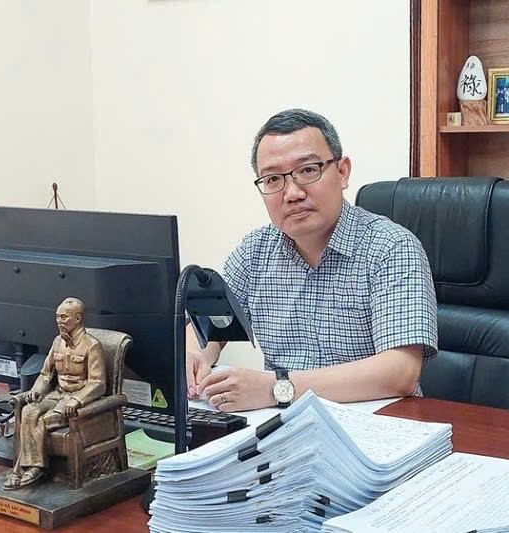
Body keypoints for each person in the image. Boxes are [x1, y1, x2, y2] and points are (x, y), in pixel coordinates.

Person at [186, 109, 437, 412]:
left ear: (342, 172)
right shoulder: (255, 252)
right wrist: (196, 354)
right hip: (283, 423)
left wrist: (276, 388)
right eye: (273, 179)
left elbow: (400, 372)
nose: (292, 193)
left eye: (307, 170)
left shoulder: (391, 247)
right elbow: (210, 327)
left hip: (376, 425)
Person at [4, 297, 107, 490]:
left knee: (42, 421)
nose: (59, 321)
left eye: (64, 317)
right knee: (28, 411)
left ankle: (27, 470)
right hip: (55, 395)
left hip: (72, 401)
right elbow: (46, 374)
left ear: (78, 318)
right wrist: (36, 391)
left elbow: (98, 384)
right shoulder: (57, 342)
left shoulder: (92, 345)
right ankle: (31, 468)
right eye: (57, 317)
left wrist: (77, 400)